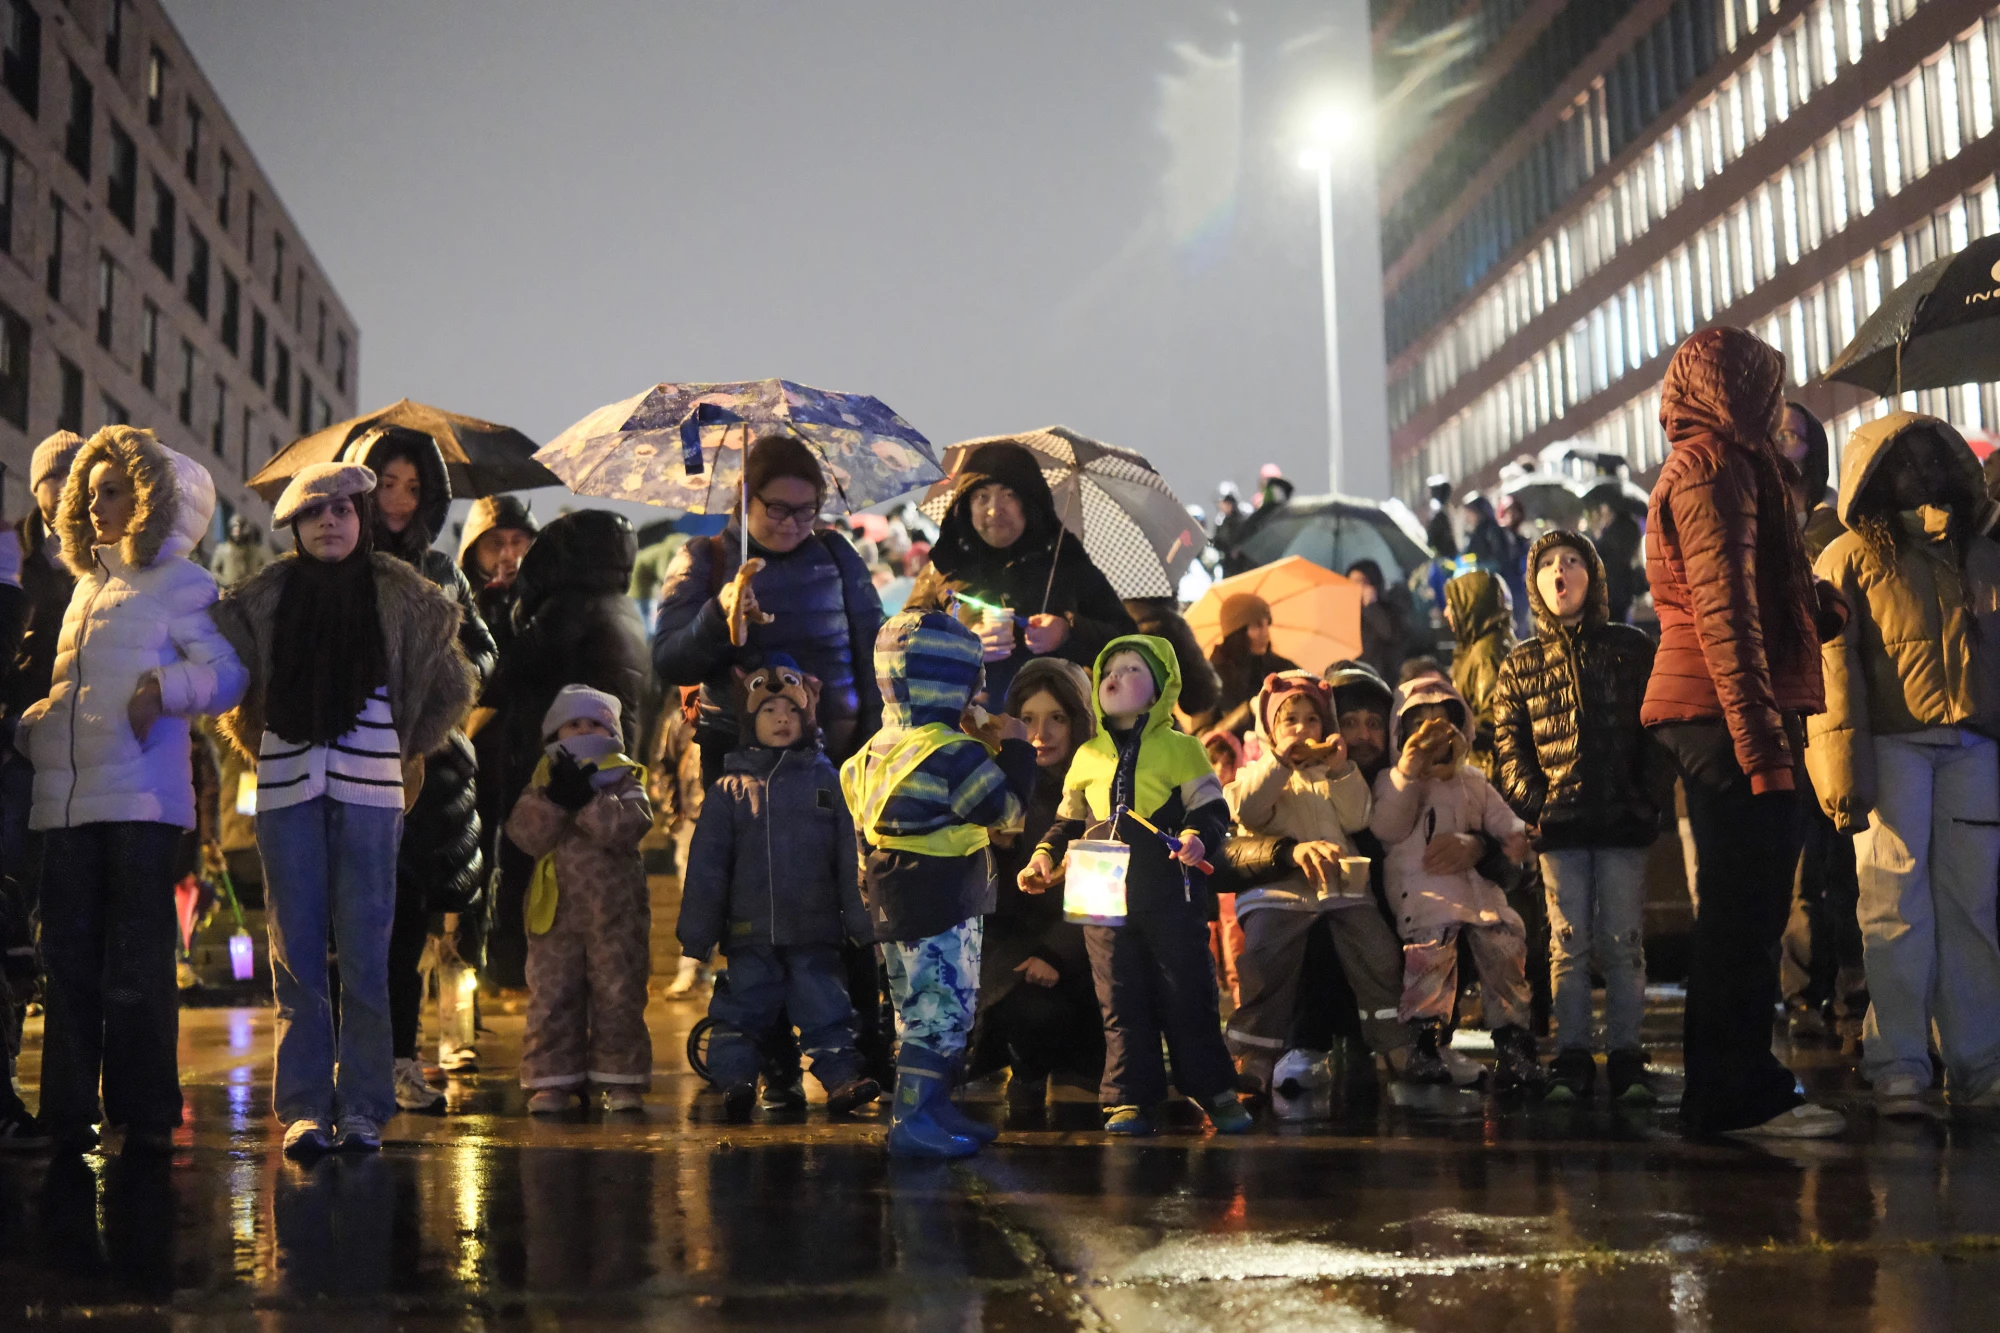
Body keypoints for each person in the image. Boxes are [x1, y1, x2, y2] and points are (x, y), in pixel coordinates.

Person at [211, 462, 474, 1157]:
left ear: (361, 522)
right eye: (314, 511)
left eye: (343, 510)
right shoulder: (265, 598)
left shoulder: (399, 595)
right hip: (287, 785)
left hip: (369, 791)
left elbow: (452, 686)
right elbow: (233, 682)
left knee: (366, 952)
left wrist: (403, 746)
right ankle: (302, 1106)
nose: (330, 521)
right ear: (293, 525)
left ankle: (361, 1105)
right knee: (294, 954)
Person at [15, 427, 246, 1156]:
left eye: (113, 490)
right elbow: (70, 686)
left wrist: (164, 688)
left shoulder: (181, 581)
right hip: (68, 799)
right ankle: (67, 1111)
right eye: (91, 492)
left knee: (138, 961)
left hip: (142, 803)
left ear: (149, 497)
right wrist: (38, 726)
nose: (97, 503)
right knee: (69, 959)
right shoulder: (85, 585)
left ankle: (145, 1113)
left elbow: (229, 673)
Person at [1643, 326, 1841, 1139]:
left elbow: (1733, 595)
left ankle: (1730, 1087)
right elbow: (1723, 617)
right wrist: (1763, 750)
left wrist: (1813, 609)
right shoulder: (1716, 467)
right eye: (1763, 386)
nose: (1772, 403)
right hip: (1720, 714)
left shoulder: (1719, 463)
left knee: (1743, 909)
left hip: (1715, 708)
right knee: (1744, 911)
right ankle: (1734, 1094)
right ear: (1734, 389)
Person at [1806, 414, 2000, 1117]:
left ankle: (1978, 1064)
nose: (1919, 472)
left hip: (1972, 744)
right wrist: (1841, 771)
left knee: (1970, 910)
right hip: (1891, 747)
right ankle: (1900, 1064)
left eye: (1928, 458)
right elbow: (1836, 673)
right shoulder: (1851, 558)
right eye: (1903, 461)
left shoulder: (1980, 552)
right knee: (1894, 905)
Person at [1021, 636, 1252, 1136]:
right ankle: (1127, 1096)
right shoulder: (1086, 755)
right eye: (1110, 667)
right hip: (1098, 889)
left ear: (1161, 688)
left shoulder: (1182, 748)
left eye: (1132, 669)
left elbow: (1212, 809)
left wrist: (1196, 836)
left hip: (1169, 890)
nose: (1116, 677)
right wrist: (1043, 856)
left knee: (1186, 991)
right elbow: (1067, 821)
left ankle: (1214, 1089)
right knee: (1119, 997)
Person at [841, 611, 1038, 1158]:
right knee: (944, 1006)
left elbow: (859, 831)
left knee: (915, 1006)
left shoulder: (871, 752)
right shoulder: (953, 753)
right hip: (944, 898)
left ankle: (934, 1107)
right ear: (957, 683)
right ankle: (913, 1120)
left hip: (891, 899)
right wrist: (1017, 748)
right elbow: (1005, 810)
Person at [341, 427, 498, 1111]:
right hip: (344, 760)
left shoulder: (440, 569)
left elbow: (483, 653)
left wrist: (443, 688)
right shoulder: (338, 557)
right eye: (387, 483)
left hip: (417, 774)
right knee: (342, 926)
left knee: (404, 920)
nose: (399, 499)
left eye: (413, 486)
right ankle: (350, 1060)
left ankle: (400, 1059)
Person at [1492, 531, 1664, 1103]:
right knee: (1567, 942)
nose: (1559, 571)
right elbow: (1508, 745)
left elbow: (1656, 729)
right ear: (1535, 583)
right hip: (1559, 827)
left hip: (1621, 821)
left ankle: (1624, 1054)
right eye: (1547, 564)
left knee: (1623, 942)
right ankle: (1571, 1055)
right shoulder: (1521, 663)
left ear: (1592, 576)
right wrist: (1537, 805)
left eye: (1571, 561)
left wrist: (1645, 796)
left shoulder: (1631, 647)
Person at [680, 660, 879, 1120]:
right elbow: (708, 868)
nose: (781, 718)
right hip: (751, 934)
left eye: (790, 709)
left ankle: (843, 1080)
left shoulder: (828, 781)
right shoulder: (729, 790)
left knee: (827, 1010)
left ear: (807, 718)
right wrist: (698, 933)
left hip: (814, 931)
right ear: (749, 722)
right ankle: (734, 1082)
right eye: (768, 710)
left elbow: (849, 858)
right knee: (740, 1015)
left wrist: (861, 921)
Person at [1223, 672, 1416, 1093]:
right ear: (1270, 729)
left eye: (1312, 720)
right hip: (1283, 890)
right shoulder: (1262, 771)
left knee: (1378, 954)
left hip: (1341, 886)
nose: (1302, 730)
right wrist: (1278, 763)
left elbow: (1356, 817)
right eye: (1289, 720)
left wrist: (1342, 769)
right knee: (1263, 959)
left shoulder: (1333, 772)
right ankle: (1256, 1052)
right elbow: (1248, 812)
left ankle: (1394, 1041)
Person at [480, 509, 648, 990]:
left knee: (548, 895)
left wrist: (504, 608)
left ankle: (535, 987)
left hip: (559, 779)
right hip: (606, 773)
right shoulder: (622, 605)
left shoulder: (570, 607)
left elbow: (504, 672)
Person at [654, 435, 883, 785]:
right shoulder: (703, 558)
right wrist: (718, 615)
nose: (792, 522)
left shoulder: (838, 555)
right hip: (738, 767)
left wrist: (872, 743)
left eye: (806, 509)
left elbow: (874, 656)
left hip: (839, 761)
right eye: (778, 508)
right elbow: (670, 662)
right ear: (746, 498)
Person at [1370, 677, 1541, 1091]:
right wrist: (1407, 773)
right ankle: (1424, 1039)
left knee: (1504, 944)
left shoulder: (1472, 780)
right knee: (1431, 957)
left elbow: (1498, 816)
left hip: (1473, 889)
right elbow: (1387, 827)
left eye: (1442, 722)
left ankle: (1513, 1038)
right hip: (1423, 890)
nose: (1432, 732)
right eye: (1419, 724)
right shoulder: (1394, 780)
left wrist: (1517, 832)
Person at [506, 685, 655, 1114]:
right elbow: (525, 834)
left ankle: (621, 1079)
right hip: (555, 911)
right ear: (556, 733)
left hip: (615, 908)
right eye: (575, 723)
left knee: (618, 991)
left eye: (595, 723)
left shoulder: (626, 776)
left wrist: (588, 800)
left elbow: (629, 828)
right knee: (553, 993)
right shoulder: (543, 777)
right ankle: (553, 1079)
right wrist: (554, 800)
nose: (585, 730)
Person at [908, 440, 1134, 708]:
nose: (994, 510)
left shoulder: (1065, 562)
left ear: (1030, 501)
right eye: (982, 497)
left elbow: (1126, 642)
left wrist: (1068, 632)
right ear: (966, 505)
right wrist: (960, 648)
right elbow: (899, 647)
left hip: (1054, 730)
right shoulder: (943, 568)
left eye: (1009, 495)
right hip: (968, 731)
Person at [973, 657, 1105, 1105]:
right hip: (1012, 950)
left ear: (1079, 721)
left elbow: (1102, 881)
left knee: (1080, 1095)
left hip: (1082, 948)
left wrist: (1055, 952)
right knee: (1027, 1008)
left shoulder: (1098, 787)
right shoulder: (998, 784)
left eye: (1057, 719)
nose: (1040, 734)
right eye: (1027, 719)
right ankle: (1025, 1067)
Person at [0, 430, 82, 1146]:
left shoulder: (100, 559)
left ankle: (36, 1091)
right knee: (9, 918)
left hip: (70, 763)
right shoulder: (17, 560)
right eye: (58, 477)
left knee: (44, 928)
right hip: (15, 754)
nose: (69, 489)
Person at [1776, 400, 1864, 1045]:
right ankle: (1804, 985)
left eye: (1796, 431)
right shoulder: (1758, 517)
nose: (1785, 438)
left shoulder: (1834, 526)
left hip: (1829, 703)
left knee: (1843, 856)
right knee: (1801, 862)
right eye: (1775, 429)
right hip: (1784, 712)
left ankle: (1852, 981)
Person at [1444, 569, 1514, 772]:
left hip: (1489, 769)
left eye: (1452, 606)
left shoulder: (1487, 653)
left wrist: (1452, 728)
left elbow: (1495, 715)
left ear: (1471, 606)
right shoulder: (1478, 648)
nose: (1446, 613)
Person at [1203, 593, 1298, 737]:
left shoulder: (1281, 668)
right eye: (1257, 625)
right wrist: (1248, 710)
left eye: (1267, 624)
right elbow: (1202, 738)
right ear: (1237, 631)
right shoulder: (1209, 678)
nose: (1265, 633)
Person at [1345, 560, 1407, 684]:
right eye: (1350, 582)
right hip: (1354, 681)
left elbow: (1390, 634)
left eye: (1360, 581)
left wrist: (1371, 607)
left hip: (1384, 680)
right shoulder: (1345, 614)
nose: (1354, 586)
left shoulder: (1390, 611)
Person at [1591, 501, 1646, 626]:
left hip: (1609, 585)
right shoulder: (1633, 527)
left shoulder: (1610, 531)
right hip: (1625, 586)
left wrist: (1599, 533)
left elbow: (1599, 552)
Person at [210, 515, 271, 590]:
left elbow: (263, 566)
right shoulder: (222, 549)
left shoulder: (251, 550)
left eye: (240, 527)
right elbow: (214, 570)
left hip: (246, 590)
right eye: (234, 528)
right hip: (228, 590)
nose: (237, 531)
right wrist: (224, 582)